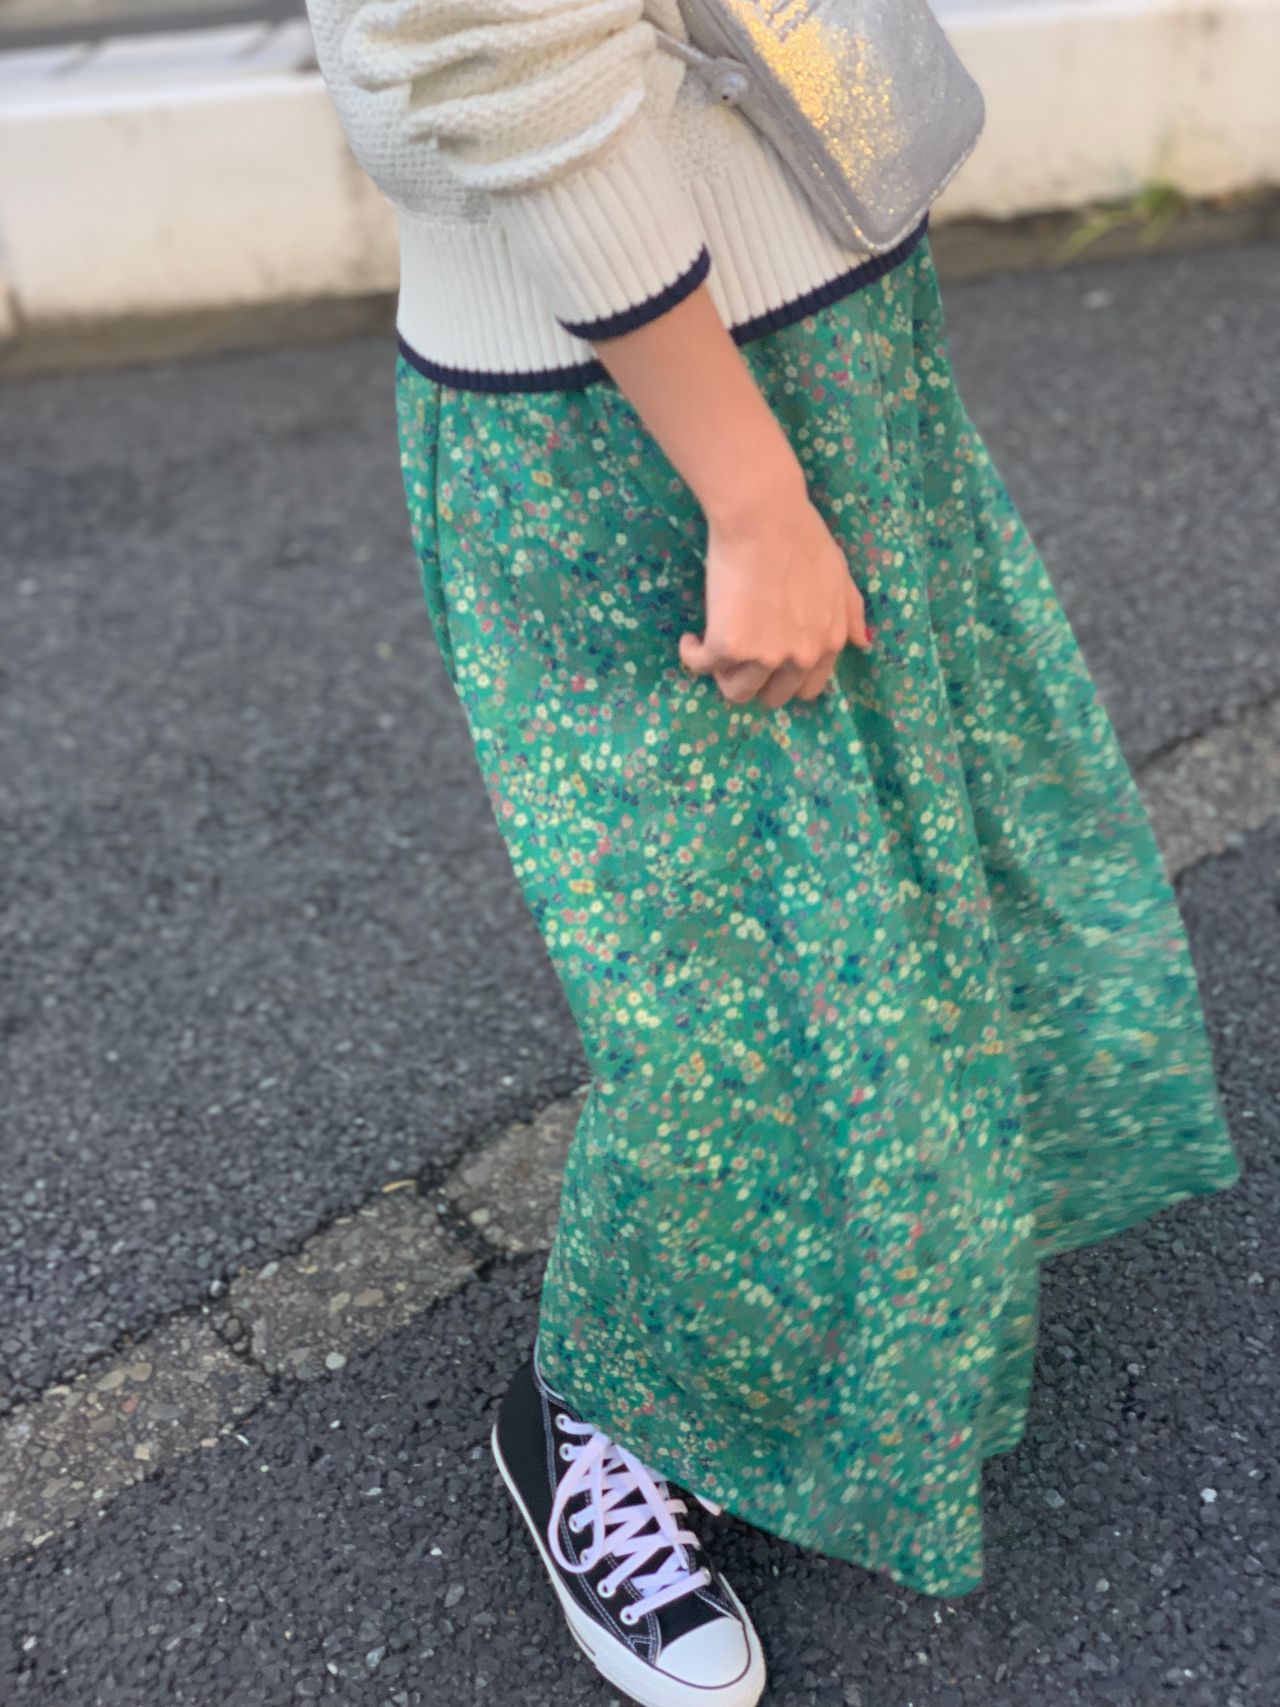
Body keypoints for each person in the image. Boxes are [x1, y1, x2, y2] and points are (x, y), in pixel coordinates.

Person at [302, 2, 1244, 1703]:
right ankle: (594, 1413)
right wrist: (749, 496)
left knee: (897, 876)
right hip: (610, 407)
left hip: (824, 313)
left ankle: (864, 1285)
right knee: (719, 981)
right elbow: (497, 52)